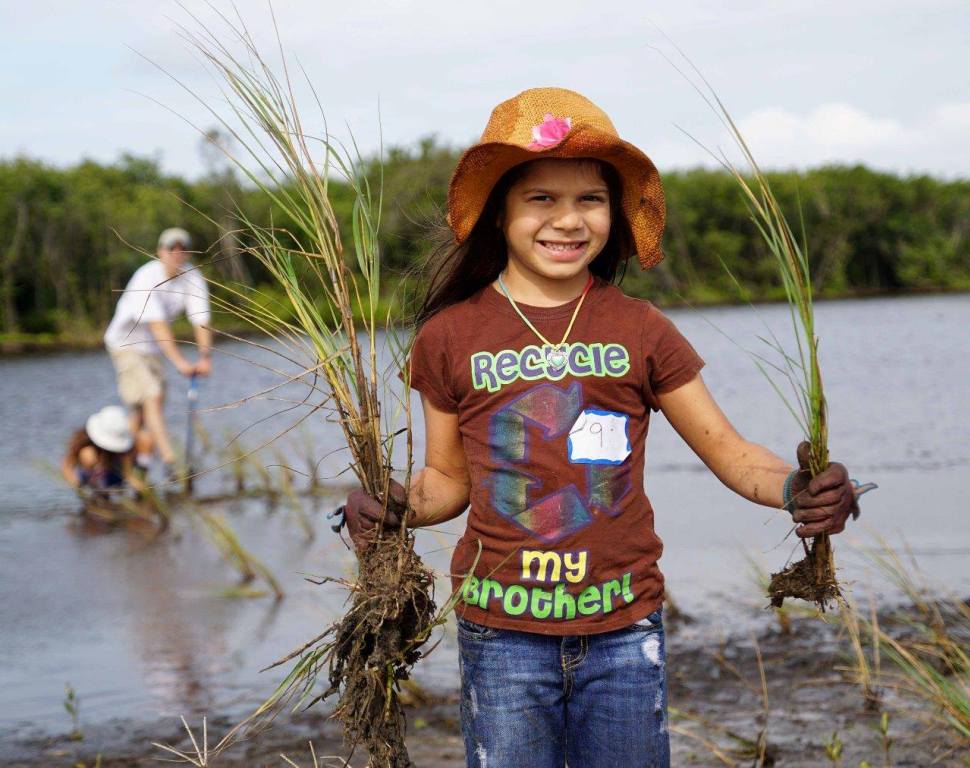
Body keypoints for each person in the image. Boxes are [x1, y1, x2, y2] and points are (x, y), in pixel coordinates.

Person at [342, 89, 871, 768]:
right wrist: (394, 506)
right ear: (499, 210)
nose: (567, 220)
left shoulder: (640, 329)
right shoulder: (450, 336)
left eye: (589, 199)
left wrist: (801, 488)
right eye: (540, 198)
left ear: (613, 214)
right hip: (498, 627)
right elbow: (447, 482)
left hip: (624, 625)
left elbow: (734, 454)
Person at [103, 227, 212, 481]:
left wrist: (205, 357)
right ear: (160, 252)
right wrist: (181, 362)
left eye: (182, 248)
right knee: (153, 397)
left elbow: (201, 319)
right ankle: (171, 463)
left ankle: (129, 466)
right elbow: (158, 326)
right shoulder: (146, 277)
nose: (177, 253)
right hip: (125, 345)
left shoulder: (192, 277)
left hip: (152, 350)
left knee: (143, 413)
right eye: (170, 248)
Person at [61, 405, 152, 503]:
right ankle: (100, 494)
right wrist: (78, 486)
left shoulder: (124, 448)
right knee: (88, 455)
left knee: (145, 439)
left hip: (117, 472)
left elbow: (128, 472)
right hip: (95, 477)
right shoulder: (86, 447)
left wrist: (139, 485)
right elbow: (66, 465)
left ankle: (142, 478)